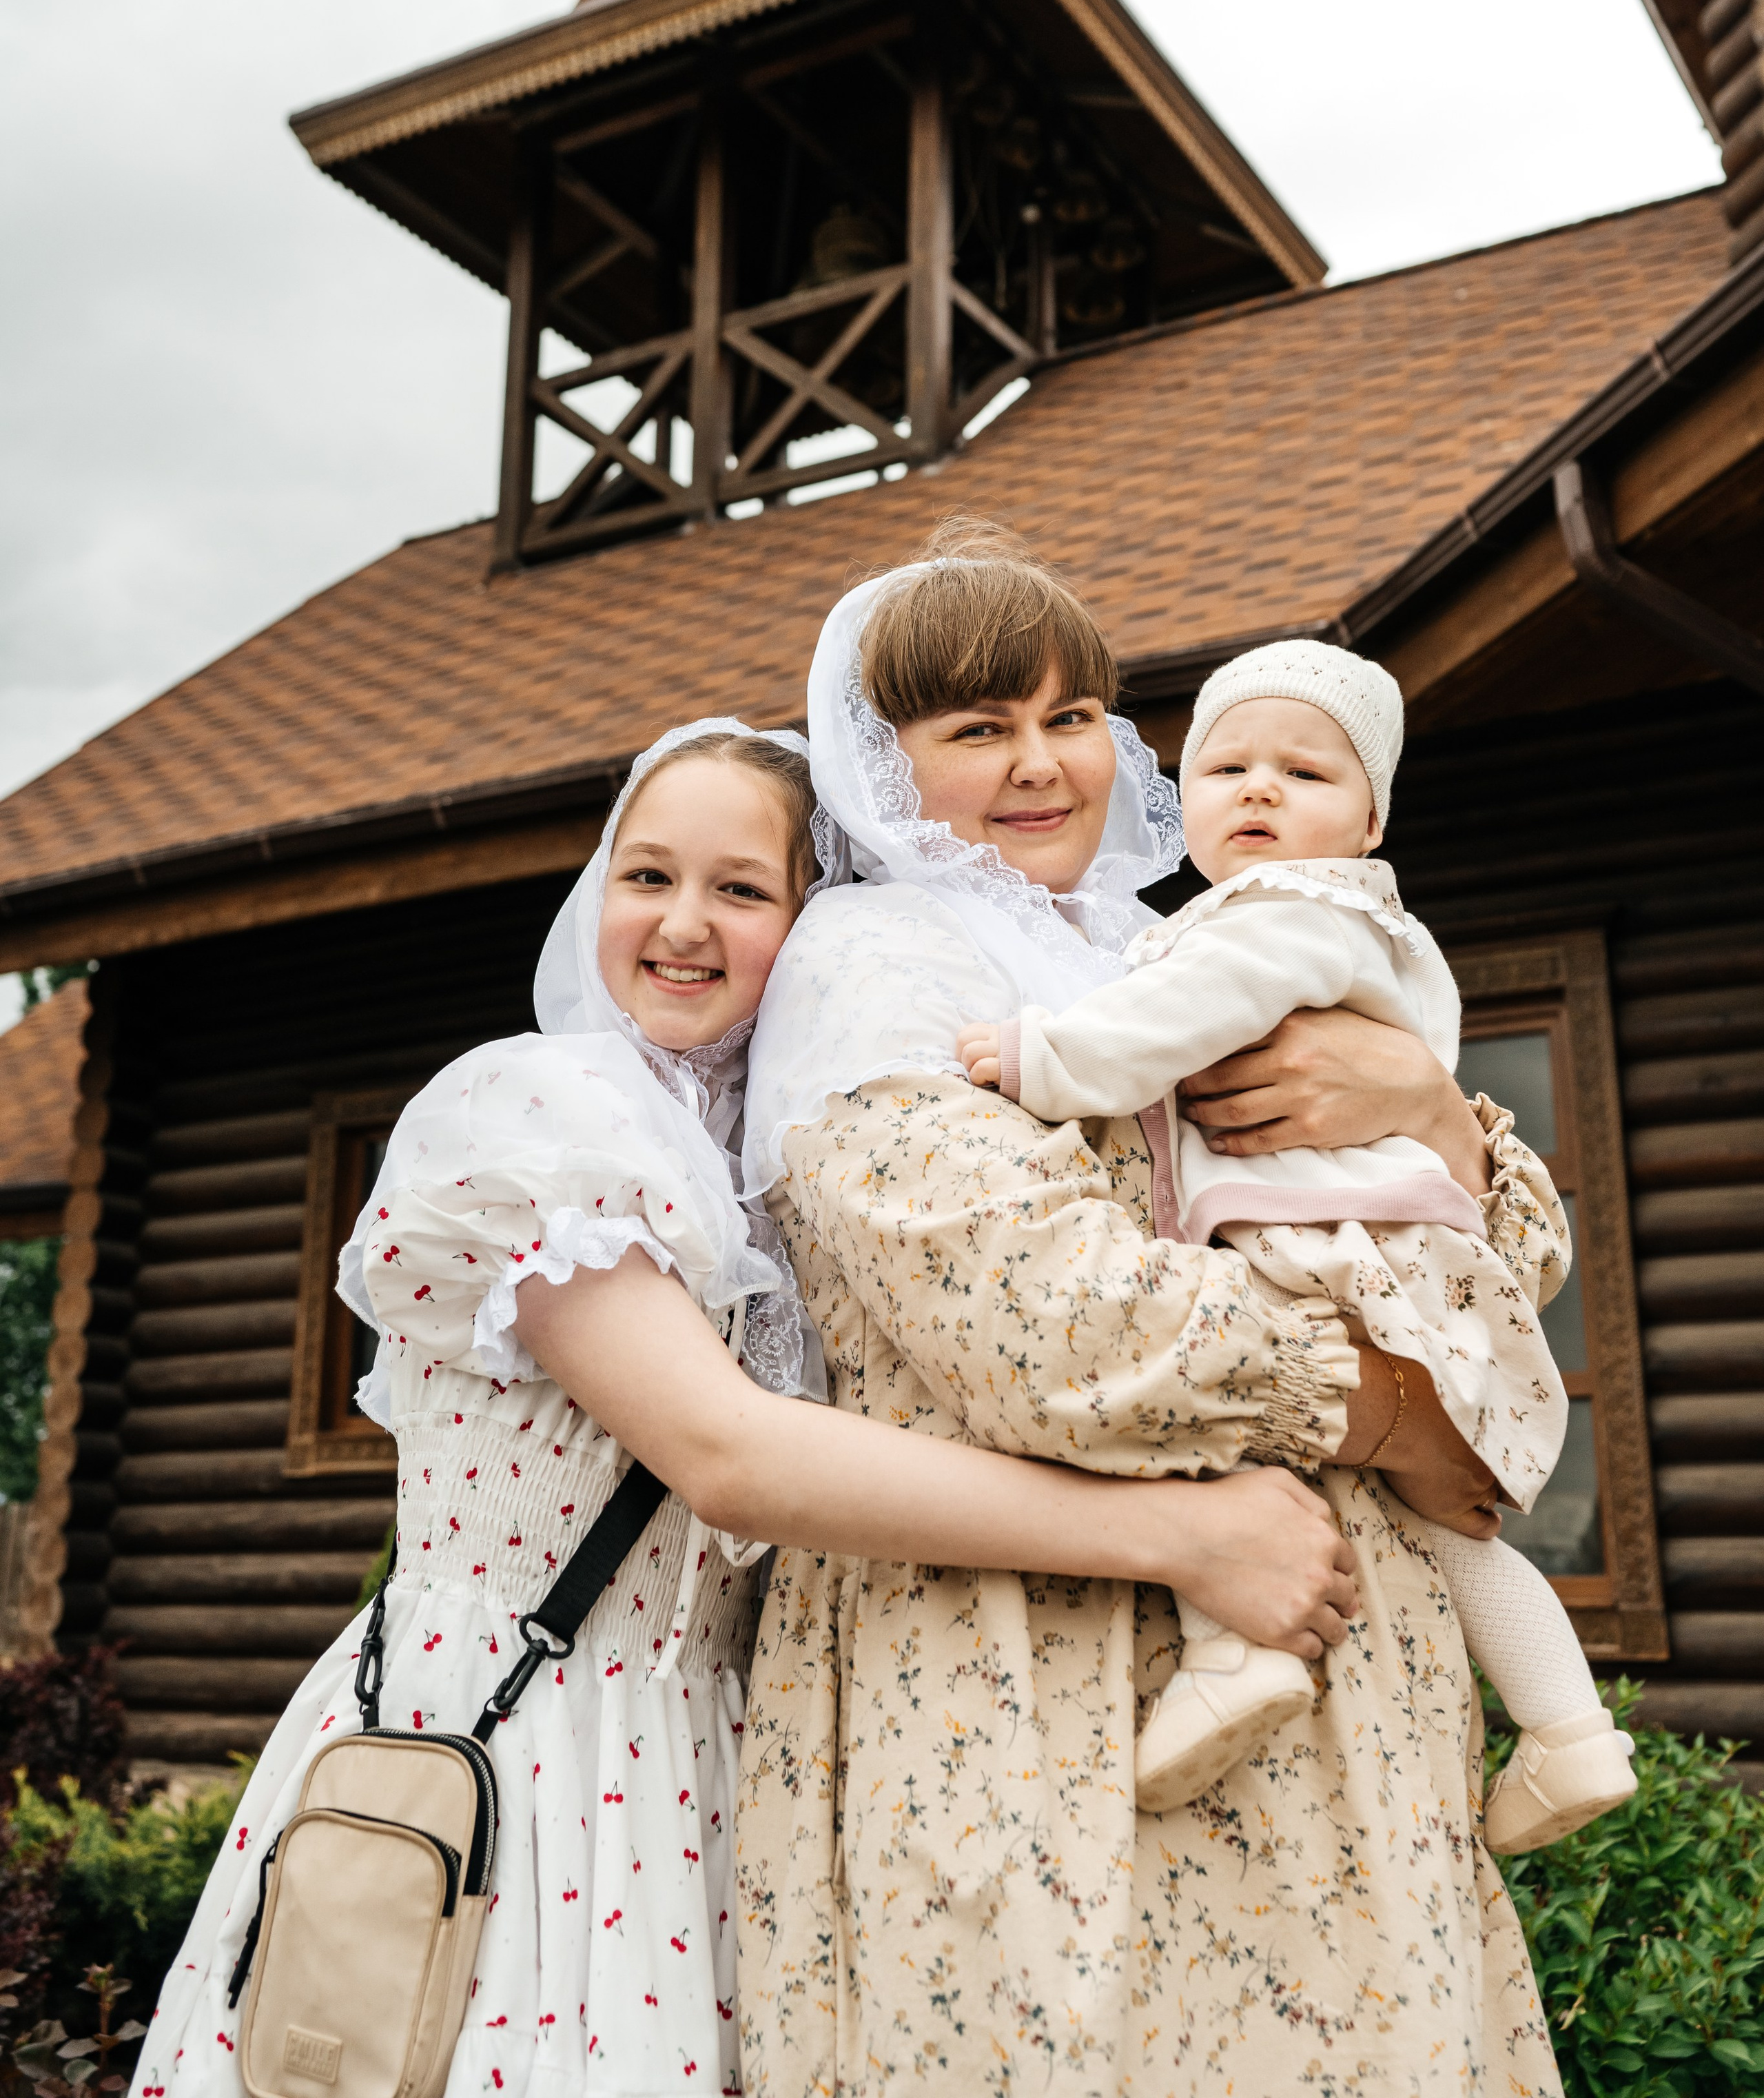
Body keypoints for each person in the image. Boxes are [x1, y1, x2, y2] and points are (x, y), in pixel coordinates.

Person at [134, 719, 1354, 2098]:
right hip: (512, 1742)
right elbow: (728, 1457)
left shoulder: (766, 1181)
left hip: (713, 1758)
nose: (681, 924)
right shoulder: (542, 1115)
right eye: (647, 876)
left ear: (810, 926)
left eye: (740, 889)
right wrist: (1182, 1538)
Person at [736, 524, 1572, 2098]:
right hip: (1041, 1672)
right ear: (881, 763)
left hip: (1337, 1675)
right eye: (976, 728)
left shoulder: (1180, 942)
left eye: (1068, 717)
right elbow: (1046, 1323)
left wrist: (1430, 1112)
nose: (1039, 764)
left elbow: (1495, 1269)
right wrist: (1402, 1412)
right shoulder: (876, 962)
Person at [957, 635, 1637, 1848]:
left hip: (1322, 1243)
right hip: (1391, 1242)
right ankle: (1571, 1727)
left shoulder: (1286, 913)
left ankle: (1238, 1654)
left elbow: (1177, 1021)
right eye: (1227, 769)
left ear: (1370, 823)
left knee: (1213, 1396)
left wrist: (1038, 1060)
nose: (1260, 790)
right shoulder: (1333, 923)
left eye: (1306, 773)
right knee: (1443, 1521)